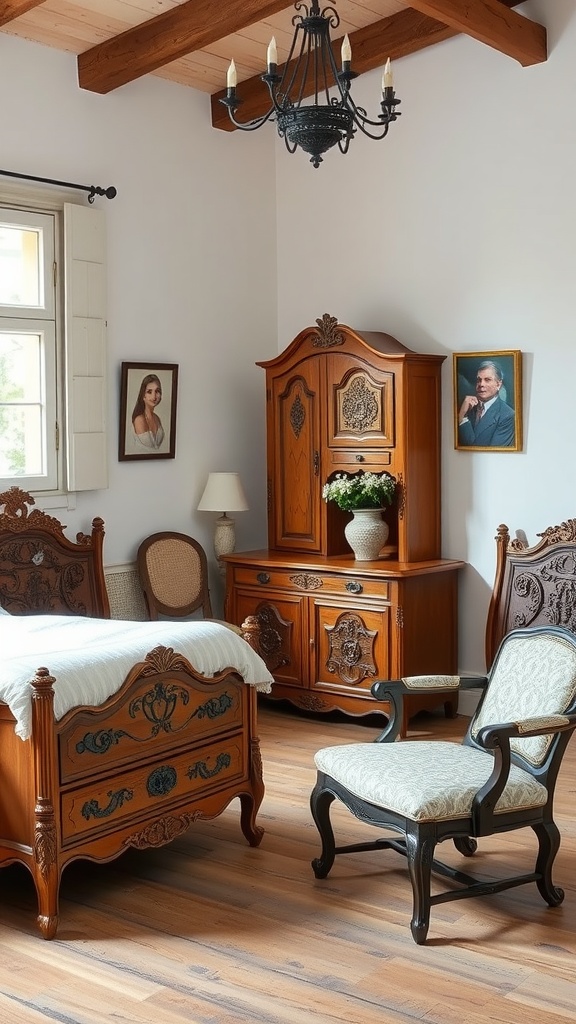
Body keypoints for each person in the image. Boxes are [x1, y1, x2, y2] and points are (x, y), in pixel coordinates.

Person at [458, 359, 515, 447]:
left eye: (487, 380)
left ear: (498, 384)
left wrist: (463, 418)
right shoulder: (468, 407)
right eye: (479, 380)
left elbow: (480, 450)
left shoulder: (508, 415)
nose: (481, 384)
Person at [131, 373, 166, 451]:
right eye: (149, 392)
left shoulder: (157, 418)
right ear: (143, 395)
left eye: (157, 391)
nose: (154, 397)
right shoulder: (139, 420)